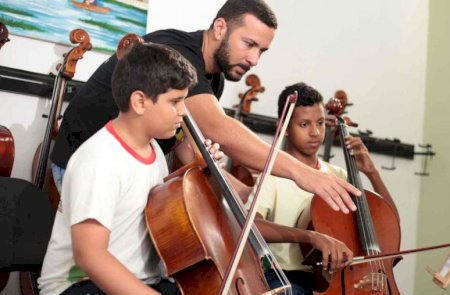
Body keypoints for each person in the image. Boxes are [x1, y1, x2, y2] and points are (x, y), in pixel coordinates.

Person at [50, 0, 360, 214]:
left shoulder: (215, 79)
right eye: (249, 44)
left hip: (135, 175)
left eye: (262, 51)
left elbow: (186, 148)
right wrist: (299, 172)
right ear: (221, 27)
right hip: (86, 167)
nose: (254, 60)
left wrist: (241, 192)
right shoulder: (178, 52)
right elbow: (216, 127)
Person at [38, 43, 215, 295]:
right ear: (140, 101)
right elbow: (90, 256)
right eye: (175, 101)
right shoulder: (100, 159)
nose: (183, 112)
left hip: (135, 282)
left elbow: (162, 208)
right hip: (78, 287)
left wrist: (201, 171)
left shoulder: (153, 149)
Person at [246, 82, 399, 295]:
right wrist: (311, 236)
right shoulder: (273, 173)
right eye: (304, 124)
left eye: (319, 123)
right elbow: (249, 226)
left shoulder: (339, 176)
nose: (315, 133)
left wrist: (372, 173)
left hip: (340, 280)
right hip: (287, 276)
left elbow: (388, 226)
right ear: (284, 127)